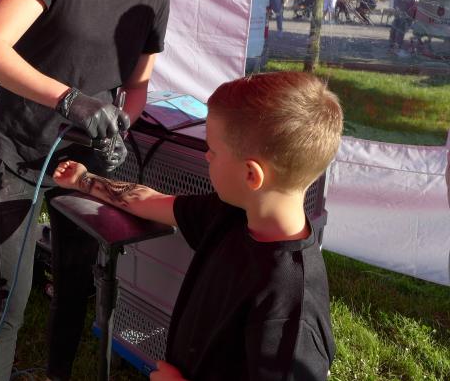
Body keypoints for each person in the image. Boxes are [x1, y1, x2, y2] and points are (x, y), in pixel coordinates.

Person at [0, 0, 225, 379]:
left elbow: (137, 86)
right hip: (18, 150)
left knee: (76, 285)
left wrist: (122, 124)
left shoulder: (154, 0)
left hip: (82, 165)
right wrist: (70, 99)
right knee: (7, 298)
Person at [53, 71, 343, 381]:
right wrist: (83, 180)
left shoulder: (291, 313)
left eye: (213, 151)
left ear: (251, 175)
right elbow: (149, 201)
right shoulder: (232, 214)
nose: (206, 156)